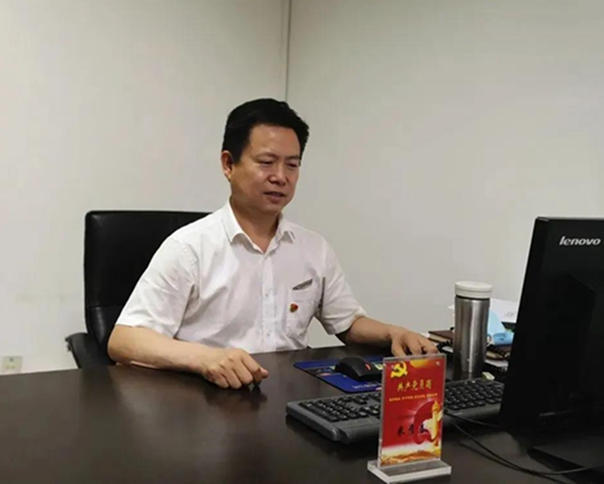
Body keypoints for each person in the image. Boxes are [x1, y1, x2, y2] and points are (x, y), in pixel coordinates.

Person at [107, 98, 437, 389]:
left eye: (292, 164)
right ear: (228, 164)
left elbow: (348, 323)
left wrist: (394, 333)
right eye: (266, 162)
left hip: (289, 398)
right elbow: (124, 340)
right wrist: (206, 358)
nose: (281, 176)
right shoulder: (188, 248)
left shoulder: (313, 248)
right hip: (206, 400)